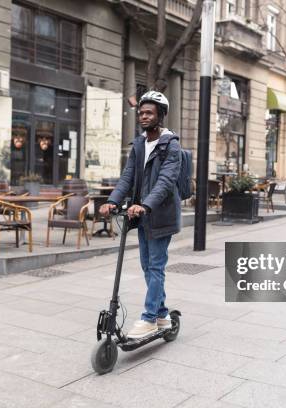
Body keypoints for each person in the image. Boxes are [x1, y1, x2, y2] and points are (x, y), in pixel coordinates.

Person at [99, 91, 182, 339]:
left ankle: (149, 319)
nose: (143, 117)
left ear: (161, 116)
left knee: (155, 267)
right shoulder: (139, 144)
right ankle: (163, 315)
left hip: (161, 214)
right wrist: (112, 201)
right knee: (148, 267)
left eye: (149, 113)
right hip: (142, 215)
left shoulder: (171, 145)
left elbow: (166, 181)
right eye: (141, 113)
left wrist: (145, 205)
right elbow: (128, 177)